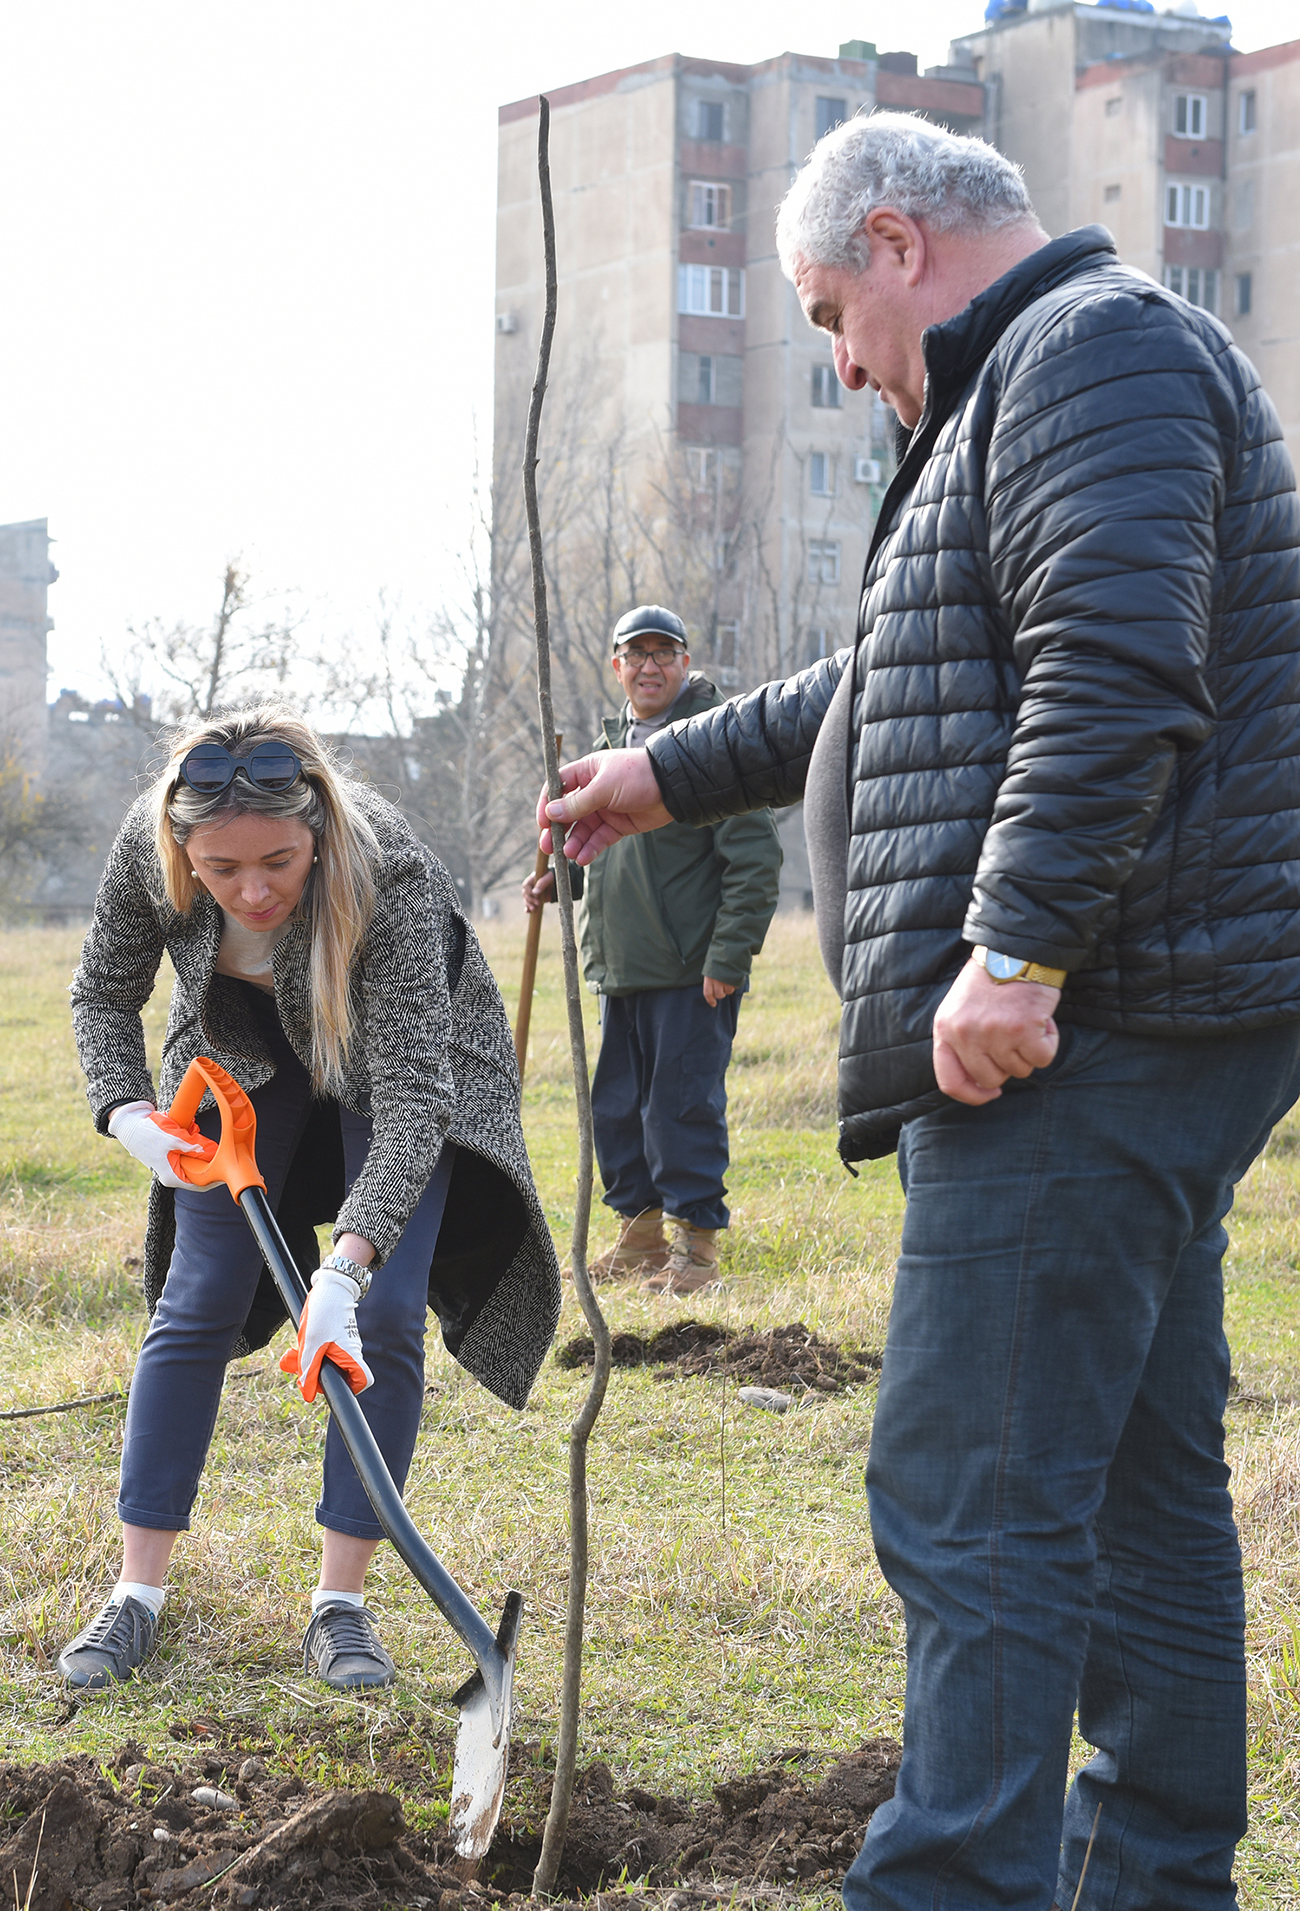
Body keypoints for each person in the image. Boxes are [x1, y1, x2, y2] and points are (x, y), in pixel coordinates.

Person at [536, 114, 1300, 1911]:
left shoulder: (1091, 352)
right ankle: (1154, 1878)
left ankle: (952, 1884)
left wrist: (1017, 950)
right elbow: (893, 675)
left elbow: (1116, 665)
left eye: (826, 311)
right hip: (1139, 1011)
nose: (835, 357)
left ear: (896, 241)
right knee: (1133, 1481)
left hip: (1091, 1023)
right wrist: (660, 772)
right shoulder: (1030, 385)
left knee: (972, 1489)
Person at [62, 706, 560, 1693]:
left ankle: (341, 1607)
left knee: (387, 1316)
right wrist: (125, 1109)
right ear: (184, 849)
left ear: (318, 831)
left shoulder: (389, 874)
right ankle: (136, 1595)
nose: (252, 891)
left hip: (402, 1066)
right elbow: (102, 993)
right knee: (200, 1294)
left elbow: (415, 1101)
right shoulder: (148, 846)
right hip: (239, 1052)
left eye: (278, 863)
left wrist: (348, 1265)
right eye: (222, 869)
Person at [524, 604, 781, 1293]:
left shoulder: (713, 745)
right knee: (617, 1108)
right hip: (619, 967)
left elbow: (755, 861)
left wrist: (728, 957)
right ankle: (638, 1240)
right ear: (617, 666)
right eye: (636, 654)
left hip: (690, 971)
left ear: (685, 663)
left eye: (664, 653)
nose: (649, 666)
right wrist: (561, 881)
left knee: (680, 1107)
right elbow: (610, 853)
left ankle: (696, 1251)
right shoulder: (609, 746)